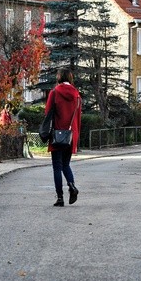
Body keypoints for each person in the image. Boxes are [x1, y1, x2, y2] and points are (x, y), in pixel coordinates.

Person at [45, 68, 82, 207]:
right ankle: (72, 186)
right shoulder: (77, 95)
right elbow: (78, 117)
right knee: (66, 165)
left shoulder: (54, 93)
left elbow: (47, 112)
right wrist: (76, 137)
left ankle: (60, 198)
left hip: (57, 135)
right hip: (71, 135)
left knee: (57, 167)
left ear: (60, 77)